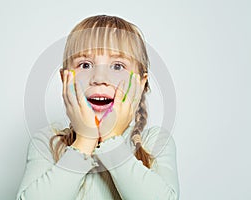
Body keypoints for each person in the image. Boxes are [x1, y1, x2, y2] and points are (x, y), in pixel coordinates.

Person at [16, 15, 179, 200]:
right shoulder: (47, 142)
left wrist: (112, 140)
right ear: (65, 80)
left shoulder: (154, 141)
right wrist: (85, 140)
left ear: (140, 84)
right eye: (85, 65)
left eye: (118, 66)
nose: (99, 78)